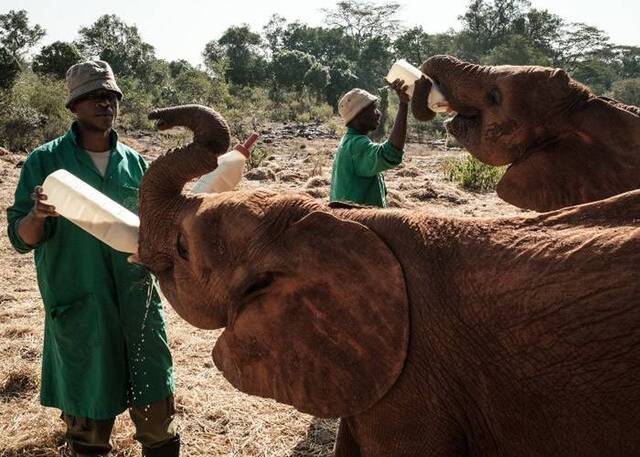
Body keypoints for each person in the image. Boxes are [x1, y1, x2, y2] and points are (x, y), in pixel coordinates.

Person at [6, 60, 178, 457]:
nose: (105, 103)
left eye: (111, 96)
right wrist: (37, 215)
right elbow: (20, 238)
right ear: (74, 106)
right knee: (88, 431)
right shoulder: (45, 162)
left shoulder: (136, 164)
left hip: (138, 306)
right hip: (82, 308)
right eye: (94, 97)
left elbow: (160, 228)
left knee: (159, 426)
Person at [329, 79, 410, 208]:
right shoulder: (356, 145)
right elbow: (391, 154)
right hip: (358, 224)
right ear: (358, 117)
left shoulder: (348, 141)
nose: (379, 114)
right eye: (373, 109)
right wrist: (403, 105)